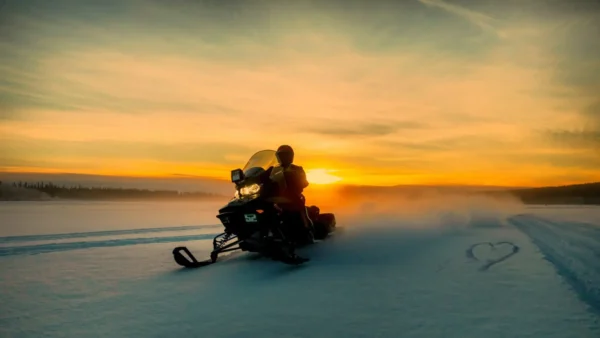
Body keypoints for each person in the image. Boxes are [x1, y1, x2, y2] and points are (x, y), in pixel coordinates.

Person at [268, 145, 314, 242]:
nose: (283, 157)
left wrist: (296, 180)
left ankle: (306, 229)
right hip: (277, 196)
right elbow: (265, 177)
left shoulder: (297, 169)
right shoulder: (274, 169)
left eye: (285, 155)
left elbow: (304, 182)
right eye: (281, 155)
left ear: (290, 156)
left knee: (298, 206)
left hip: (293, 195)